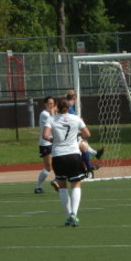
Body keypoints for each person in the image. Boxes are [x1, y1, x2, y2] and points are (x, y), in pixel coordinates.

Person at [43, 97, 91, 227]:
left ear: (57, 107)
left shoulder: (51, 119)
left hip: (58, 156)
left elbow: (45, 135)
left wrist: (53, 140)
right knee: (76, 184)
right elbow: (87, 134)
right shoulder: (76, 118)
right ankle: (74, 213)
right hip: (73, 155)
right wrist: (76, 134)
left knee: (62, 186)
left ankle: (68, 215)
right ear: (69, 107)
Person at [65, 90, 104, 172]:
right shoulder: (69, 107)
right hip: (69, 135)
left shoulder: (67, 106)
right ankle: (88, 166)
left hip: (69, 134)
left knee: (84, 145)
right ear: (74, 98)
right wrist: (79, 120)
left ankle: (91, 161)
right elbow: (72, 121)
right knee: (83, 146)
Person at [34, 96, 56, 193]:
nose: (51, 105)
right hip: (46, 143)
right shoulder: (44, 114)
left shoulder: (52, 113)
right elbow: (54, 121)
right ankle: (38, 187)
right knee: (48, 167)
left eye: (53, 103)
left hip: (53, 142)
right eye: (49, 103)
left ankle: (57, 181)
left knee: (57, 163)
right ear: (45, 104)